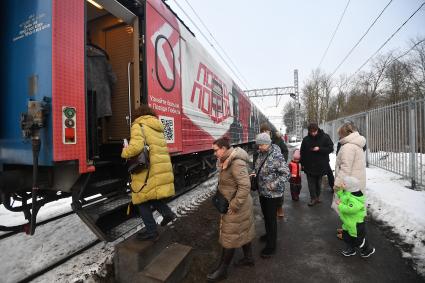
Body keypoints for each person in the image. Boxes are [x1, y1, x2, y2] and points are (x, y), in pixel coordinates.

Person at [121, 105, 176, 241]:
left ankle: (151, 231)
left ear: (138, 115)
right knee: (151, 195)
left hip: (148, 168)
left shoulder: (138, 125)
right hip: (158, 166)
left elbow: (136, 147)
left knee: (141, 199)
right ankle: (167, 213)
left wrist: (124, 151)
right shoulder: (157, 126)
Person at [207, 137, 255, 282]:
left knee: (229, 237)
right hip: (236, 203)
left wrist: (234, 205)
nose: (214, 153)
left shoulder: (236, 163)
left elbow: (245, 186)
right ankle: (249, 258)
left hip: (236, 206)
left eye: (216, 150)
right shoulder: (225, 161)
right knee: (242, 230)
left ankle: (222, 270)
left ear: (223, 148)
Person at [254, 133, 290, 258]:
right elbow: (259, 167)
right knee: (266, 217)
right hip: (263, 192)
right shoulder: (261, 153)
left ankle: (271, 246)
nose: (259, 148)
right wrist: (255, 174)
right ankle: (268, 235)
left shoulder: (276, 155)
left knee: (271, 219)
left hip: (272, 194)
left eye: (261, 145)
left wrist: (273, 184)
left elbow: (286, 174)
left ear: (268, 143)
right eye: (258, 145)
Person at [334, 122, 367, 240]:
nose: (339, 137)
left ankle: (350, 234)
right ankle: (347, 230)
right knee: (354, 211)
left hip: (349, 184)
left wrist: (338, 184)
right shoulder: (357, 143)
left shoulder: (348, 147)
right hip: (356, 181)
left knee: (348, 210)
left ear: (344, 134)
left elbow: (345, 168)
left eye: (340, 135)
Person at [336, 176, 375, 258]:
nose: (341, 184)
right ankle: (351, 249)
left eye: (344, 183)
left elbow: (350, 209)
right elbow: (343, 195)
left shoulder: (355, 199)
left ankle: (368, 249)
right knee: (347, 237)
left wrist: (340, 205)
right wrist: (339, 191)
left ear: (349, 187)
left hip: (356, 224)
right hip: (348, 222)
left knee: (358, 240)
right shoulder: (348, 192)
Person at [258, 123, 288, 218]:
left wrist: (282, 161)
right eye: (263, 131)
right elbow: (258, 155)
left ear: (270, 132)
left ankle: (279, 208)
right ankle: (269, 212)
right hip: (265, 170)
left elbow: (285, 150)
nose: (265, 133)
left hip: (276, 168)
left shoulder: (277, 139)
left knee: (278, 192)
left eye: (266, 131)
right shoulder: (260, 142)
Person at [300, 123, 334, 206]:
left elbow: (330, 148)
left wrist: (320, 149)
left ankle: (317, 197)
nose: (313, 133)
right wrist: (302, 164)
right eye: (311, 132)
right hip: (309, 165)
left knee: (318, 182)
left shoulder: (325, 137)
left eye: (314, 131)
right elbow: (302, 152)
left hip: (321, 164)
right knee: (311, 183)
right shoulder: (306, 139)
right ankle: (313, 198)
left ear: (317, 130)